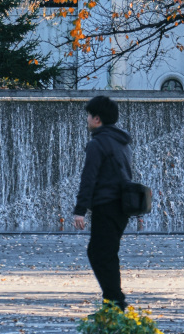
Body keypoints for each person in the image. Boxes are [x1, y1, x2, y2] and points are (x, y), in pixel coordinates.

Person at [72, 94, 134, 311]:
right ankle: (113, 300)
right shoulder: (121, 142)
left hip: (106, 206)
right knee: (106, 253)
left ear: (97, 118)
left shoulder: (97, 143)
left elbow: (89, 178)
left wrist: (80, 210)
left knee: (100, 253)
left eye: (89, 116)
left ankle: (115, 302)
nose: (87, 120)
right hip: (121, 207)